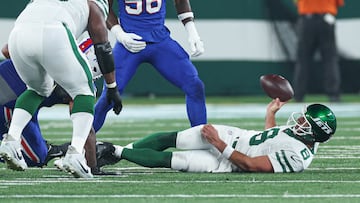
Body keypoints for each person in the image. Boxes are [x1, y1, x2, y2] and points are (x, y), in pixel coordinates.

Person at [0, 0, 122, 178]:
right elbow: (103, 47)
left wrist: (46, 70)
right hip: (53, 35)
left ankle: (11, 140)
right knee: (84, 92)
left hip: (19, 34)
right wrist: (112, 87)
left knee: (37, 90)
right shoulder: (92, 6)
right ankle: (74, 155)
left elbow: (7, 50)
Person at [98, 99, 337, 173]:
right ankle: (113, 152)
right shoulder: (298, 136)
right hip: (232, 135)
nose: (300, 121)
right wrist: (270, 114)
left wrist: (218, 143)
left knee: (172, 161)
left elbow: (252, 164)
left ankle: (112, 150)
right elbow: (270, 139)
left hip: (227, 161)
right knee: (172, 138)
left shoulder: (297, 157)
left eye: (307, 121)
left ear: (315, 133)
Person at [93, 0, 207, 132]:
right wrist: (119, 33)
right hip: (129, 43)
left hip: (160, 40)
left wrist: (192, 32)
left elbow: (180, 2)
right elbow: (103, 7)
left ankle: (200, 138)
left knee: (195, 86)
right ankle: (82, 143)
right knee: (110, 96)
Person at [293, 0, 344, 102]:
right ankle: (333, 94)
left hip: (307, 20)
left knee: (303, 60)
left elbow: (296, 2)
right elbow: (339, 3)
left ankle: (298, 95)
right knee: (330, 60)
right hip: (326, 19)